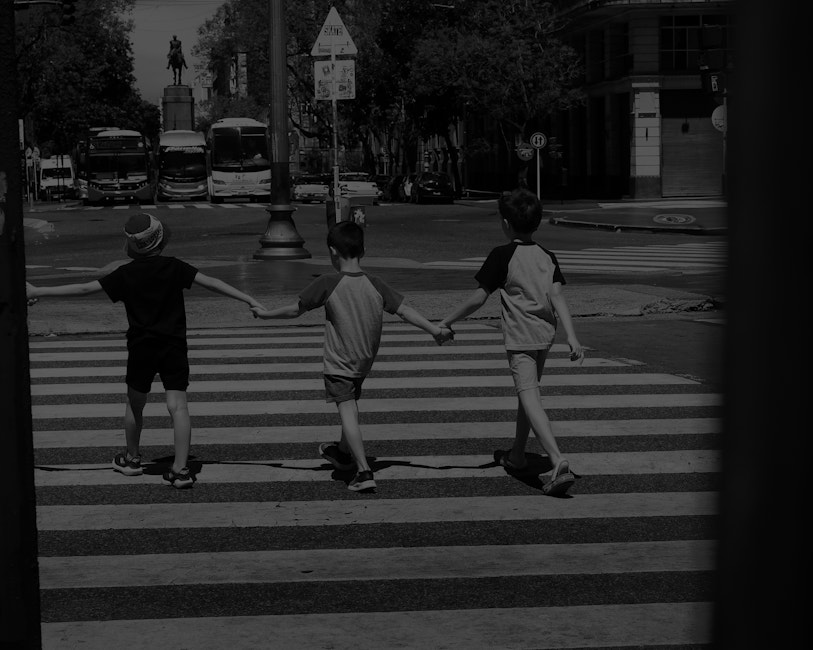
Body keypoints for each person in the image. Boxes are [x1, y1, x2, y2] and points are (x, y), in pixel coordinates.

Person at [26, 213, 264, 489]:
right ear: (160, 239)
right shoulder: (175, 267)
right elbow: (212, 282)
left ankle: (132, 459)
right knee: (178, 406)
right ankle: (181, 470)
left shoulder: (126, 273)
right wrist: (248, 299)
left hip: (141, 347)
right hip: (174, 345)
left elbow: (83, 288)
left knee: (135, 403)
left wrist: (38, 290)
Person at [251, 220, 454, 492]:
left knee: (348, 411)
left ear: (333, 252)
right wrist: (434, 330)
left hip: (339, 361)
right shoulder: (376, 283)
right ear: (363, 251)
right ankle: (342, 453)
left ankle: (363, 470)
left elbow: (295, 310)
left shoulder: (328, 282)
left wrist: (266, 315)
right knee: (350, 405)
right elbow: (405, 310)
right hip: (364, 360)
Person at [440, 188, 584, 496]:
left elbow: (478, 298)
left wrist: (447, 321)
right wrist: (571, 336)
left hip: (520, 336)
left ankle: (557, 460)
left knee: (529, 397)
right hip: (545, 335)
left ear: (506, 223)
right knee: (526, 394)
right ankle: (518, 455)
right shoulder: (547, 256)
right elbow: (558, 297)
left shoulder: (502, 255)